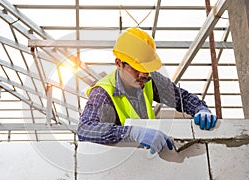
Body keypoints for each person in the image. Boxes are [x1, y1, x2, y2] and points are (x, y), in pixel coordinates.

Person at [77, 27, 217, 154]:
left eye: (146, 69)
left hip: (148, 157)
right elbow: (85, 129)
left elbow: (182, 98)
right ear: (119, 63)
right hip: (118, 162)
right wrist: (132, 133)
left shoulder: (149, 79)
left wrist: (200, 108)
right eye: (137, 68)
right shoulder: (103, 92)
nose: (143, 75)